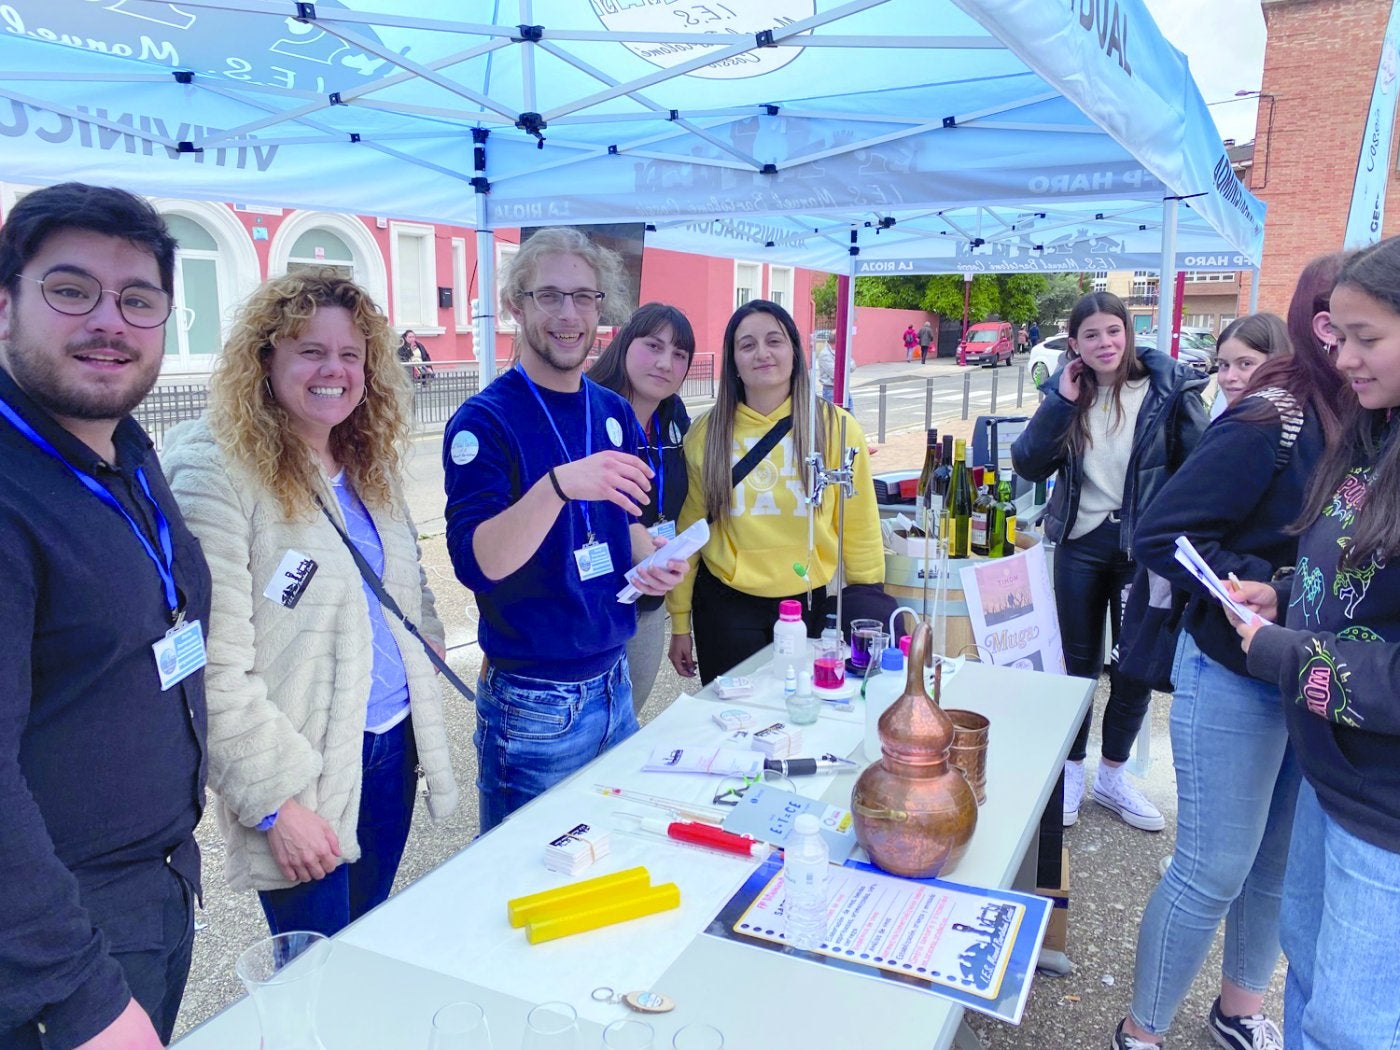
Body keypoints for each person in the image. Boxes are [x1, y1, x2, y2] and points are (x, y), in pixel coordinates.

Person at [162, 272, 458, 940]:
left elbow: (411, 581)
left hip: (390, 748)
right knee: (314, 970)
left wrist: (426, 642)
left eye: (351, 355)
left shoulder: (364, 457)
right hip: (302, 772)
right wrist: (274, 804)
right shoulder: (217, 473)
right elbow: (207, 667)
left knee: (364, 941)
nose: (335, 371)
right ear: (266, 359)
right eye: (311, 351)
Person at [0, 183, 210, 1049]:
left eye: (138, 299)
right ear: (5, 306)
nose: (108, 321)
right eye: (71, 289)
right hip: (53, 940)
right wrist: (76, 995)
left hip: (154, 888)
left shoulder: (124, 446)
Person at [1113, 300, 1347, 1049]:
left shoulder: (1367, 423)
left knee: (1273, 860)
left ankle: (1239, 1010)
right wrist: (1264, 584)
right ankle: (1139, 1032)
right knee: (1213, 867)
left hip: (1309, 674)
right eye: (1355, 332)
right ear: (1326, 329)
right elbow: (1162, 533)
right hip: (1234, 669)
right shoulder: (1269, 417)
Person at [443, 227, 687, 833]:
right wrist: (556, 486)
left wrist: (651, 557)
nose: (569, 314)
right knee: (525, 883)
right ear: (515, 305)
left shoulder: (610, 411)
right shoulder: (485, 421)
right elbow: (479, 563)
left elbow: (622, 523)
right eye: (549, 295)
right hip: (535, 704)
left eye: (584, 297)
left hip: (615, 683)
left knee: (608, 857)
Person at [1230, 237, 1400, 1050]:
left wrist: (1284, 653)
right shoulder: (1377, 434)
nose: (1344, 357)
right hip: (1334, 779)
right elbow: (1363, 587)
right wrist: (1289, 594)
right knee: (1307, 979)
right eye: (1337, 336)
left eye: (1367, 338)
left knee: (1352, 1025)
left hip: (1386, 817)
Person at [1011, 291, 1207, 831]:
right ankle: (1071, 768)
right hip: (1080, 542)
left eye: (1113, 332)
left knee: (1134, 666)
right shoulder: (1068, 391)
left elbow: (1204, 465)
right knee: (1075, 666)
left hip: (1145, 550)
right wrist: (1059, 403)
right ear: (1074, 343)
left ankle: (1114, 775)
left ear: (1129, 333)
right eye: (1091, 335)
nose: (1105, 343)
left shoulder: (1169, 389)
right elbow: (1027, 464)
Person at [667, 299, 884, 685]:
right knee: (736, 725)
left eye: (774, 340)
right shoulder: (705, 434)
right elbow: (690, 534)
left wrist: (869, 597)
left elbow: (860, 524)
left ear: (795, 353)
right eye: (747, 345)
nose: (762, 353)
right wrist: (679, 623)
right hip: (728, 608)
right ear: (733, 361)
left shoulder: (835, 427)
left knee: (812, 716)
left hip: (813, 603)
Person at [587, 302, 696, 712]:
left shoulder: (673, 417)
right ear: (624, 344)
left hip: (647, 602)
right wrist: (624, 535)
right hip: (592, 604)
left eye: (679, 354)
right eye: (653, 345)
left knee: (626, 722)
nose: (665, 362)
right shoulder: (587, 410)